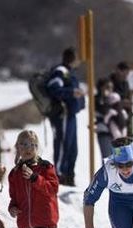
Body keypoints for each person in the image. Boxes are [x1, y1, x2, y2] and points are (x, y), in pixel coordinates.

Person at [47, 47, 86, 187]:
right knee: (63, 145)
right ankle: (59, 175)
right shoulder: (61, 71)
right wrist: (72, 92)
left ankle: (69, 175)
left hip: (71, 115)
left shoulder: (70, 73)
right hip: (63, 114)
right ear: (72, 58)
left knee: (73, 148)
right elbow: (54, 89)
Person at [95, 77, 128, 160]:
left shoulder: (113, 98)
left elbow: (118, 111)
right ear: (101, 87)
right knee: (108, 158)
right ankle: (107, 173)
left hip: (116, 135)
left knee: (117, 157)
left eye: (111, 88)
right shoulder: (97, 99)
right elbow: (103, 110)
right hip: (104, 133)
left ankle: (116, 172)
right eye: (107, 87)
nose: (109, 90)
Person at [110, 62, 133, 138]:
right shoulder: (110, 83)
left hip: (127, 115)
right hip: (115, 117)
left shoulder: (125, 83)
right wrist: (121, 103)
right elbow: (108, 99)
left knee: (129, 139)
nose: (125, 76)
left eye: (127, 74)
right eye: (123, 73)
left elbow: (128, 96)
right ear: (118, 70)